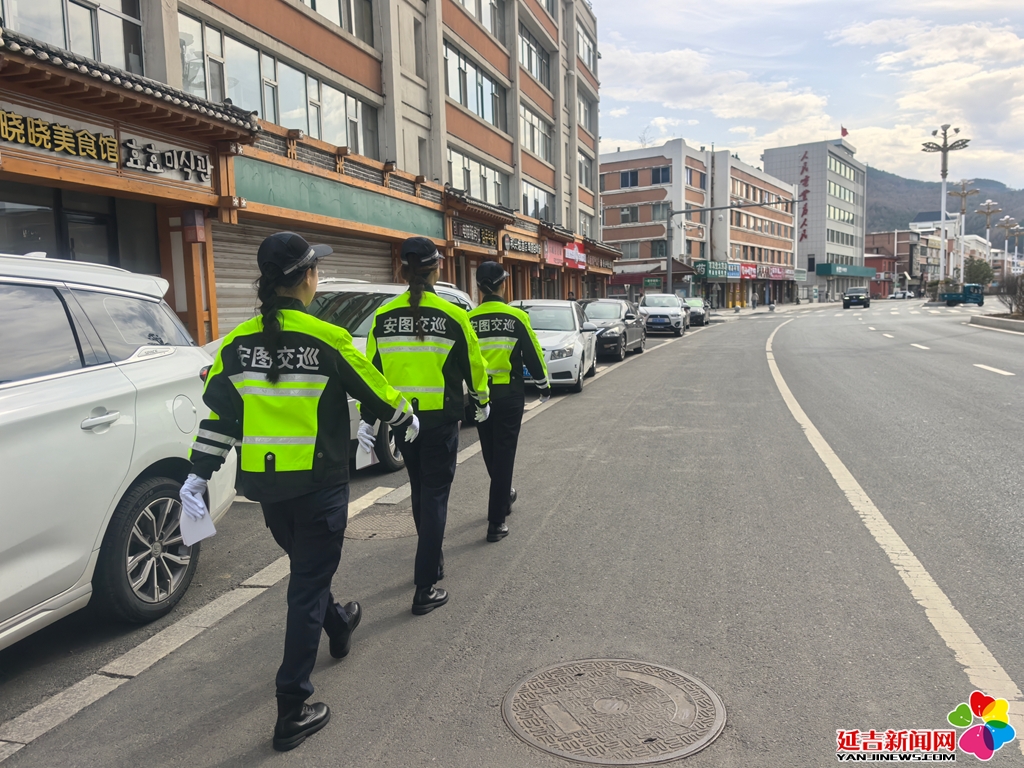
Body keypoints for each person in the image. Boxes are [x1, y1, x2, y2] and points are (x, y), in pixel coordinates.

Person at [178, 232, 417, 752]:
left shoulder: (236, 344)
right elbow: (378, 392)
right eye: (316, 271)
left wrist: (198, 473)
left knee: (309, 572)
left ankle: (340, 621)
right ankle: (292, 707)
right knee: (306, 586)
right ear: (308, 277)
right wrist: (405, 417)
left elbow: (222, 419)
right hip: (319, 487)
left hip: (268, 491)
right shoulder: (327, 337)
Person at [362, 237, 489, 615]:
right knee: (434, 497)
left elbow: (372, 375)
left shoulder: (383, 316)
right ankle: (425, 586)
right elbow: (475, 368)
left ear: (402, 270)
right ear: (438, 268)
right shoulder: (453, 316)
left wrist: (369, 419)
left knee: (420, 491)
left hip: (403, 422)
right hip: (440, 421)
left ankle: (433, 560)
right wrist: (481, 402)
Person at [468, 262, 550, 542]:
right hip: (509, 395)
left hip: (479, 396)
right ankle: (496, 522)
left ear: (479, 287)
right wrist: (543, 385)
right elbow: (532, 353)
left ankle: (503, 496)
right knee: (504, 454)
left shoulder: (468, 319)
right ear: (503, 284)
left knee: (490, 450)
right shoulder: (516, 317)